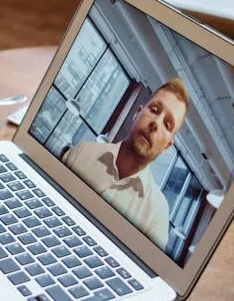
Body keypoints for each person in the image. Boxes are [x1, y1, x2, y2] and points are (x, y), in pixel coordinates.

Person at [60, 79, 190, 249]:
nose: (155, 123)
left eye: (167, 124)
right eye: (154, 110)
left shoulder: (157, 215)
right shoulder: (83, 152)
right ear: (137, 113)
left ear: (167, 146)